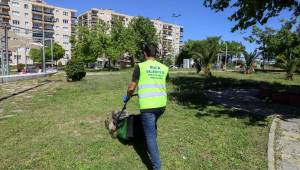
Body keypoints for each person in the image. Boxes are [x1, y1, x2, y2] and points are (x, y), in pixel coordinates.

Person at [123, 43, 169, 170]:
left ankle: (157, 166)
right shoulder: (164, 68)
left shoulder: (140, 66)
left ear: (145, 53)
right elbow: (160, 83)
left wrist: (128, 96)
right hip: (161, 106)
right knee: (151, 128)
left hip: (148, 107)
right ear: (156, 53)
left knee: (149, 136)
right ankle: (151, 140)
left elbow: (132, 86)